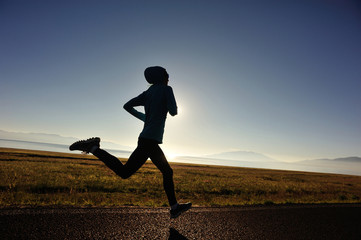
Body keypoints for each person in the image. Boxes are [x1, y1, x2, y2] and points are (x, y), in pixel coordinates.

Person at [69, 66, 191, 219]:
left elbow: (127, 105)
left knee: (165, 171)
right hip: (149, 141)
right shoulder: (167, 89)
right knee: (126, 172)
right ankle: (93, 148)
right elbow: (173, 112)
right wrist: (167, 106)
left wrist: (146, 118)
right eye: (167, 74)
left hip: (147, 139)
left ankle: (174, 207)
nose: (169, 77)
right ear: (161, 76)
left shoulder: (147, 93)